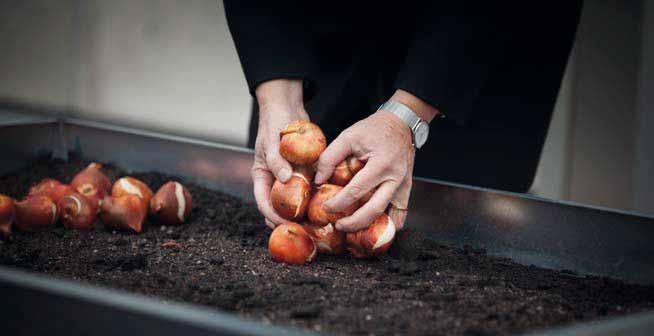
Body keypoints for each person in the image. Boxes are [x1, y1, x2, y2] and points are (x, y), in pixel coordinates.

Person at [224, 2, 582, 232]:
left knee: (455, 228)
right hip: (319, 33)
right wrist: (277, 92)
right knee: (296, 198)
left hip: (477, 41)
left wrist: (409, 115)